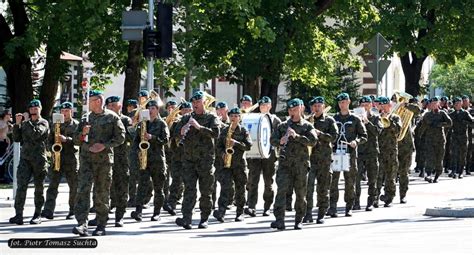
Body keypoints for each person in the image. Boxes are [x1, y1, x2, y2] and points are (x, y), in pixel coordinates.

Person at [72, 90, 125, 236]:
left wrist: (104, 145)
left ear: (98, 101)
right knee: (82, 190)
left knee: (101, 192)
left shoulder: (112, 117)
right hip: (86, 160)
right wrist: (82, 133)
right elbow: (75, 140)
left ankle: (101, 224)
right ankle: (82, 223)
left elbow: (121, 137)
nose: (87, 103)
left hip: (104, 162)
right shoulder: (85, 118)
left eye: (90, 100)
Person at [270, 98, 317, 230]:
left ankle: (298, 220)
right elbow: (272, 140)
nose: (293, 112)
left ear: (301, 109)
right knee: (281, 192)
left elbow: (313, 141)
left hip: (300, 166)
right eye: (291, 110)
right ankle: (279, 220)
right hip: (285, 165)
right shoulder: (283, 126)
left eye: (295, 110)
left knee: (300, 193)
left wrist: (296, 136)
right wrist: (280, 141)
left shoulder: (307, 126)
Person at [174, 91, 220, 229]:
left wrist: (199, 127)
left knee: (206, 190)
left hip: (205, 160)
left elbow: (216, 133)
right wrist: (182, 130)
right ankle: (186, 218)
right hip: (189, 159)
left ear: (204, 102)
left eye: (198, 102)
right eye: (193, 103)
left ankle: (204, 218)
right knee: (189, 189)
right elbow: (175, 132)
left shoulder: (211, 117)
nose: (195, 105)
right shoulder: (186, 117)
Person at [9, 99, 50, 225]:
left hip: (39, 160)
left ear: (40, 109)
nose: (33, 110)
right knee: (21, 187)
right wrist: (17, 125)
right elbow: (17, 138)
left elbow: (36, 134)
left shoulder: (44, 122)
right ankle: (18, 214)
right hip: (25, 160)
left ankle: (37, 214)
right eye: (31, 109)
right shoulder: (26, 124)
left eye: (35, 108)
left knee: (39, 188)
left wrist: (28, 122)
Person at [328, 93, 367, 217]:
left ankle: (349, 206)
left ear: (349, 102)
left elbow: (364, 136)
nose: (342, 104)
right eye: (340, 102)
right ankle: (332, 206)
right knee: (334, 181)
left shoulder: (355, 119)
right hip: (337, 153)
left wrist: (356, 141)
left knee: (349, 181)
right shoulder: (334, 118)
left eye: (344, 102)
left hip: (349, 153)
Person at [131, 100, 170, 222]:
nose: (151, 110)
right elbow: (136, 141)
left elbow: (165, 140)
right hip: (145, 159)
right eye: (149, 108)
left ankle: (156, 212)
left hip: (157, 160)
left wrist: (152, 138)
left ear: (157, 110)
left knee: (158, 187)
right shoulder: (143, 124)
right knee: (142, 186)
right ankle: (138, 211)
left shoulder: (162, 123)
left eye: (153, 108)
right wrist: (137, 151)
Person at [213, 107, 252, 222]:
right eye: (231, 116)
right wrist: (222, 154)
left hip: (239, 165)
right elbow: (218, 146)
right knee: (226, 188)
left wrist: (236, 143)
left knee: (240, 189)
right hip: (227, 164)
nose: (233, 118)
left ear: (239, 118)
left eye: (236, 116)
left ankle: (239, 213)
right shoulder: (225, 130)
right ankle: (221, 212)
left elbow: (248, 146)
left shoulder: (244, 130)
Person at [303, 96, 338, 224]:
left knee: (323, 188)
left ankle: (321, 214)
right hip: (310, 159)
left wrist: (320, 134)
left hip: (324, 159)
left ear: (323, 107)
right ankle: (308, 213)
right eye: (314, 106)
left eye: (319, 106)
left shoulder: (329, 121)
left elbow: (334, 137)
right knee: (308, 188)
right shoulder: (307, 121)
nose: (316, 108)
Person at [41, 102, 79, 220]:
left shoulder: (77, 125)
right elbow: (49, 140)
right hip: (57, 158)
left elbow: (79, 141)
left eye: (67, 111)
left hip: (71, 158)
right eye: (63, 111)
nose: (65, 113)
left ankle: (73, 210)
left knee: (74, 186)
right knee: (53, 185)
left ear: (71, 112)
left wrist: (66, 139)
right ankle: (48, 210)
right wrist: (51, 150)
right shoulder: (55, 124)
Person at [245, 96, 282, 217]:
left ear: (270, 106)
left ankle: (267, 207)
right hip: (256, 154)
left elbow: (280, 137)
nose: (263, 107)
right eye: (261, 106)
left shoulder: (275, 120)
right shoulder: (255, 118)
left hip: (270, 155)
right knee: (253, 181)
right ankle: (251, 206)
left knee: (268, 182)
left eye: (265, 105)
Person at [105, 96, 133, 227]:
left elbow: (131, 138)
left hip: (121, 158)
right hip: (106, 158)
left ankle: (120, 216)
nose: (110, 108)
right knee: (104, 187)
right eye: (109, 106)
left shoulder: (126, 120)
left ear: (119, 106)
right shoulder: (104, 119)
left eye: (113, 106)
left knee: (121, 187)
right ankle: (102, 216)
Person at [163, 101, 193, 215]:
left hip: (192, 156)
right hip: (177, 156)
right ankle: (172, 204)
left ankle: (188, 206)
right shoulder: (176, 122)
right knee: (176, 180)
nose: (186, 112)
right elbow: (170, 135)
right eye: (184, 110)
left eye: (188, 110)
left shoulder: (196, 121)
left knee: (189, 183)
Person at [354, 96, 382, 211]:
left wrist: (367, 122)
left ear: (371, 105)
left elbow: (377, 132)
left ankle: (371, 201)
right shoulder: (355, 119)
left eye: (367, 105)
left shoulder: (376, 118)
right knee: (356, 179)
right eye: (363, 105)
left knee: (372, 178)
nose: (365, 107)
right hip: (359, 152)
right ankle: (356, 202)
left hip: (372, 152)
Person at [416, 97, 453, 183]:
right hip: (429, 140)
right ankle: (428, 174)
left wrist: (439, 124)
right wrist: (419, 136)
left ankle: (437, 175)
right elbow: (423, 127)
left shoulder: (442, 113)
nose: (434, 105)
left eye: (435, 103)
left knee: (439, 158)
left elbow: (450, 123)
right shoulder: (427, 115)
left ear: (438, 104)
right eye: (432, 104)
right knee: (430, 157)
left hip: (440, 140)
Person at [376, 96, 402, 207]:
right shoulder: (375, 118)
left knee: (390, 176)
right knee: (377, 175)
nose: (382, 107)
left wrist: (388, 120)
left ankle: (389, 197)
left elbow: (397, 131)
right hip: (378, 150)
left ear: (389, 106)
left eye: (385, 105)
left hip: (391, 150)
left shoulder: (395, 117)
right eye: (380, 105)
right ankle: (375, 197)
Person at [449, 97, 473, 178]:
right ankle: (453, 171)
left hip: (463, 136)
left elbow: (472, 122)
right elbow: (447, 122)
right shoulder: (452, 114)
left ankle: (461, 172)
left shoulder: (465, 113)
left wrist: (466, 122)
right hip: (455, 136)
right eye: (456, 104)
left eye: (459, 103)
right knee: (454, 154)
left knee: (462, 155)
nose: (457, 105)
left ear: (461, 104)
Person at [0, 108, 12, 183]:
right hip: (0, 143)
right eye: (9, 114)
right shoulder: (1, 122)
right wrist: (5, 126)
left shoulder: (7, 124)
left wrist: (8, 145)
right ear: (5, 115)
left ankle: (2, 176)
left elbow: (6, 136)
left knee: (3, 161)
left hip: (4, 143)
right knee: (1, 160)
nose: (10, 116)